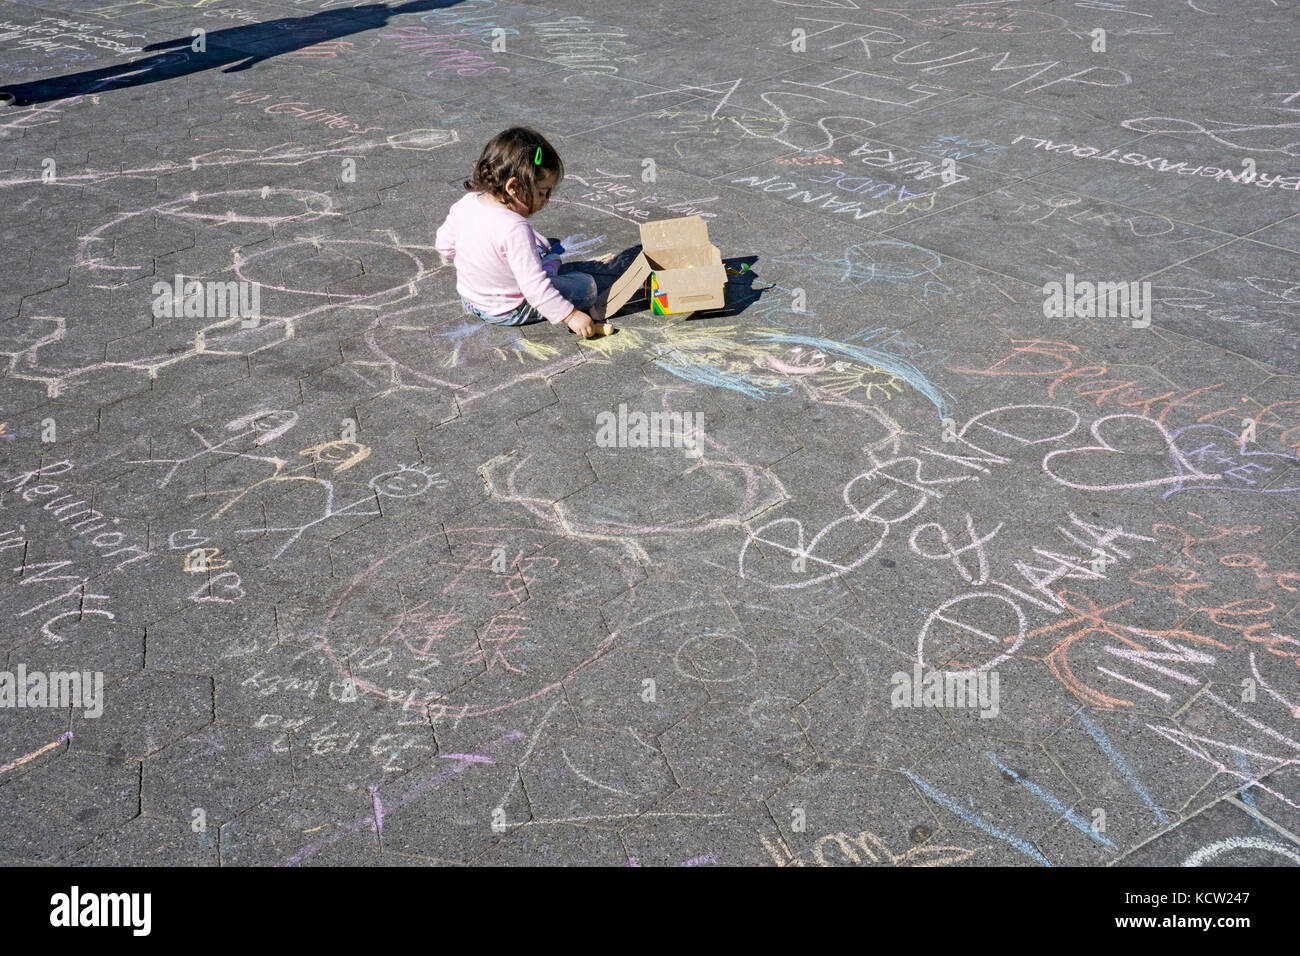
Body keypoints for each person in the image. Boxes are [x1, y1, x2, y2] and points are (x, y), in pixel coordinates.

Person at [436, 127, 600, 337]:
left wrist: (480, 262)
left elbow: (444, 245)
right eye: (542, 193)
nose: (545, 201)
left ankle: (541, 264)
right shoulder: (514, 228)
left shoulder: (466, 203)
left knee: (537, 249)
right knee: (587, 285)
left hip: (471, 300)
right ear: (513, 187)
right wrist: (570, 316)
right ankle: (549, 268)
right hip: (509, 309)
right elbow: (534, 289)